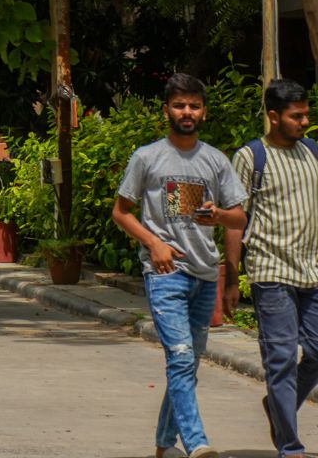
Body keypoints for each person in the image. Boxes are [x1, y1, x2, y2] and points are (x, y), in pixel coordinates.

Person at [113, 73, 247, 458]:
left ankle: (163, 444)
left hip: (205, 274)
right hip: (166, 274)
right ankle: (197, 443)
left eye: (194, 105)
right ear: (166, 111)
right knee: (182, 356)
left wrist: (218, 217)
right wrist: (154, 243)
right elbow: (121, 212)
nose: (187, 112)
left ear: (204, 112)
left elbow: (239, 218)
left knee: (186, 364)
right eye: (179, 105)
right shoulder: (147, 157)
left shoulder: (216, 160)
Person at [227, 78, 318, 458]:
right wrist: (232, 276)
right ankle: (290, 446)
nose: (304, 122)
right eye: (297, 116)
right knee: (280, 360)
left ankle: (279, 409)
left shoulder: (313, 153)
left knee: (316, 352)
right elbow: (236, 220)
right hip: (270, 272)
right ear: (274, 116)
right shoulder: (251, 158)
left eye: (306, 115)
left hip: (312, 271)